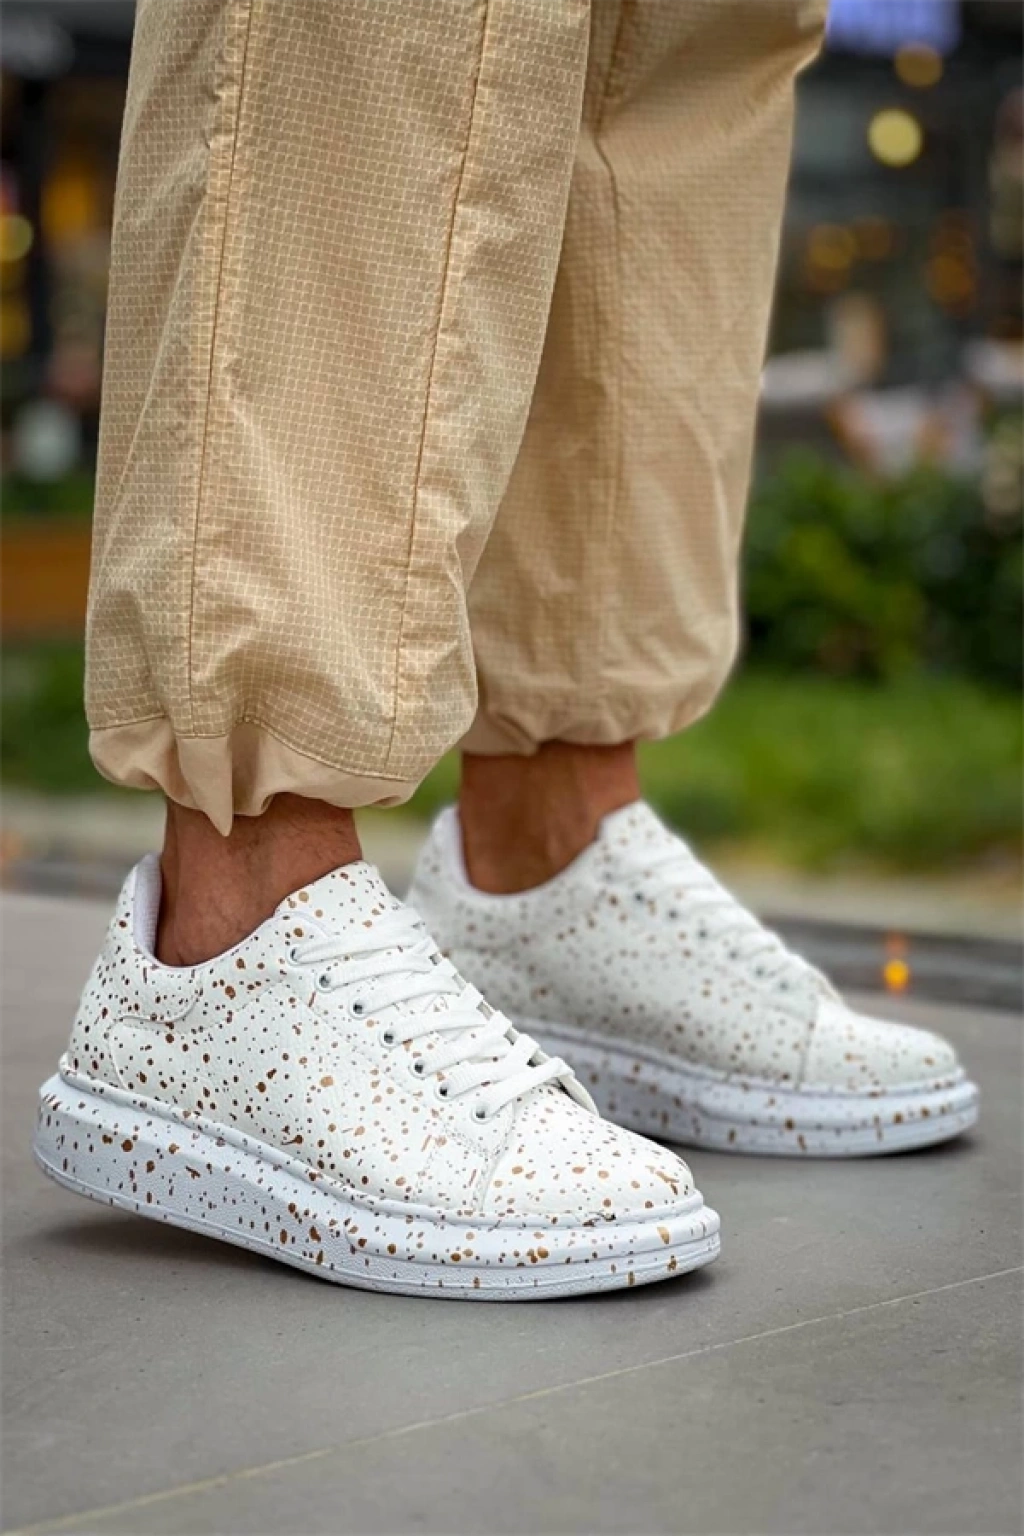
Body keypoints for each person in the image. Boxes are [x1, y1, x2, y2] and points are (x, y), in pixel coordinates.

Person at [34, 0, 978, 1299]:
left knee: (687, 46)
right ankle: (235, 914)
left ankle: (552, 852)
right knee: (393, 32)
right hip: (229, 920)